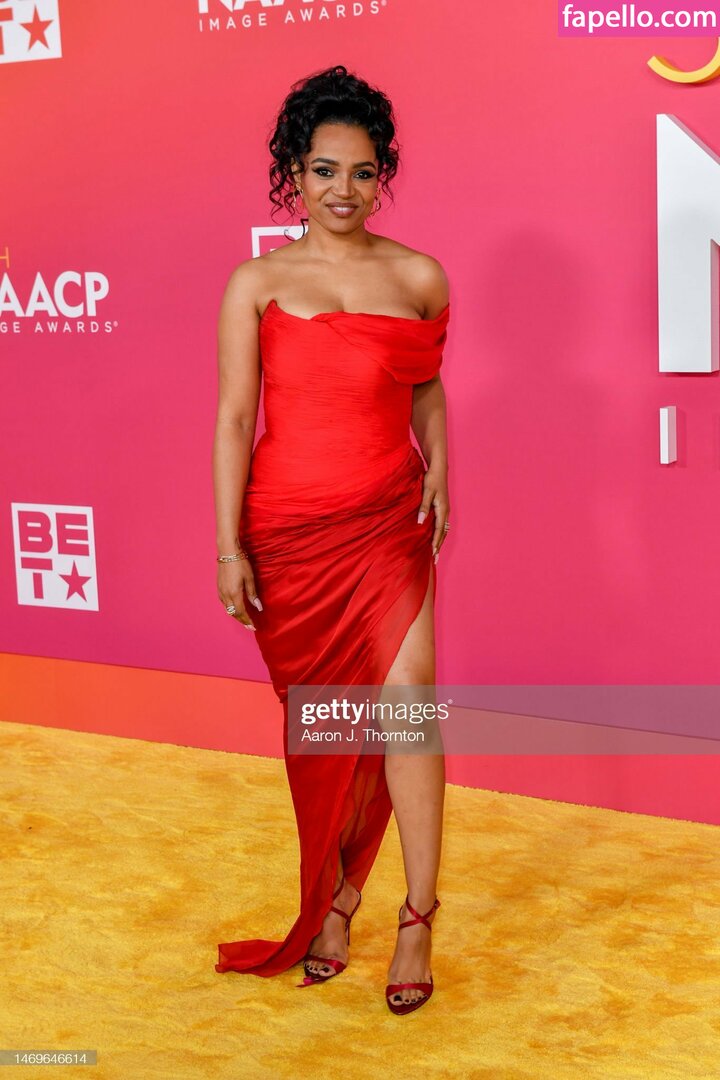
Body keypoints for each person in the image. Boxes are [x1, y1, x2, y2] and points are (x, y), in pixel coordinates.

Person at [212, 64, 451, 1016]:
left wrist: (442, 465)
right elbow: (236, 418)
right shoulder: (257, 282)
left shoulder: (418, 277)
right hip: (290, 530)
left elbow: (424, 388)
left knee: (409, 706)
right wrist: (228, 546)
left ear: (382, 173)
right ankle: (338, 898)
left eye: (361, 171)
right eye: (322, 170)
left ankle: (418, 914)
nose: (342, 190)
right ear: (292, 175)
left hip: (387, 518)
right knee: (327, 728)